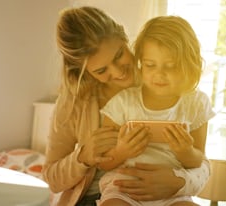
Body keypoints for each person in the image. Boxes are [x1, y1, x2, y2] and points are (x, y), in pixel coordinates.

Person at [42, 6, 211, 206]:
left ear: (124, 39)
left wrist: (179, 181)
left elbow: (202, 164)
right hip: (103, 195)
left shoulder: (160, 81)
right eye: (101, 70)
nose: (117, 72)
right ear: (84, 71)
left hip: (167, 191)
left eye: (118, 55)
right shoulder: (74, 102)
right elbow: (52, 179)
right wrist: (83, 157)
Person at [97, 16, 215, 206]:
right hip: (125, 189)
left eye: (171, 66)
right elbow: (103, 162)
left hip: (172, 192)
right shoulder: (124, 102)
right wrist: (121, 151)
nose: (159, 74)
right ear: (141, 63)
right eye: (150, 65)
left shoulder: (196, 103)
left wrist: (185, 151)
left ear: (188, 64)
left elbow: (197, 160)